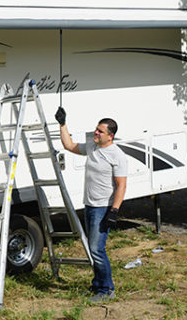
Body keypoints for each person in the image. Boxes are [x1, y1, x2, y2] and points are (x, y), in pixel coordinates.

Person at [54, 106, 127, 303]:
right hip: (89, 205)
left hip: (103, 208)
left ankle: (106, 289)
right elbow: (69, 145)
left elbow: (121, 185)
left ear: (110, 136)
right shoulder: (92, 147)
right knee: (92, 248)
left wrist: (114, 210)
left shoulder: (117, 155)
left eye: (100, 131)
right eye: (96, 129)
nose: (95, 132)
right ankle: (98, 284)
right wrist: (62, 124)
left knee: (97, 249)